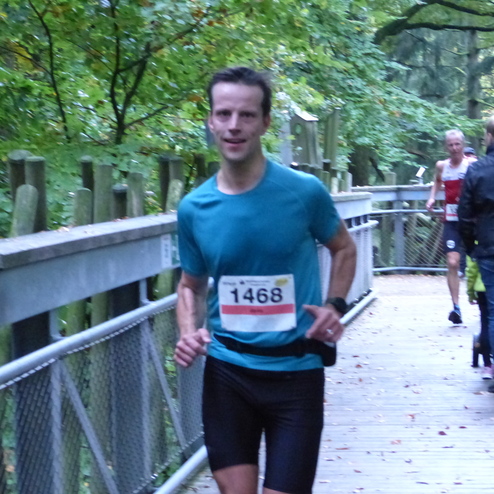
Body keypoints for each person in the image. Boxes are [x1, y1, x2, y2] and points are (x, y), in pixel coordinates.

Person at [174, 66, 357, 494]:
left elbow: (345, 248)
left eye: (247, 115)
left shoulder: (303, 192)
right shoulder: (194, 208)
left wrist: (334, 306)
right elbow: (189, 285)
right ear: (211, 120)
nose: (234, 125)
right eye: (224, 114)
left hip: (296, 373)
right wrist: (187, 332)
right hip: (228, 373)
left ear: (265, 122)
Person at [459, 116, 494, 392]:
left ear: (489, 137)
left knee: (493, 311)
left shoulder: (477, 170)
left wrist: (471, 247)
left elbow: (464, 214)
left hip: (488, 247)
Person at [426, 129, 470, 324]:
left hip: (471, 221)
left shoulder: (471, 165)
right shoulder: (441, 166)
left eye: (457, 144)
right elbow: (437, 182)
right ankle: (456, 307)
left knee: (481, 262)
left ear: (463, 145)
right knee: (452, 262)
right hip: (451, 220)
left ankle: (485, 302)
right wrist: (432, 197)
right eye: (450, 145)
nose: (454, 148)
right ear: (446, 147)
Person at [465, 255, 492, 379]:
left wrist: (471, 292)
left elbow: (472, 269)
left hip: (483, 287)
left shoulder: (477, 243)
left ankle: (488, 365)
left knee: (486, 323)